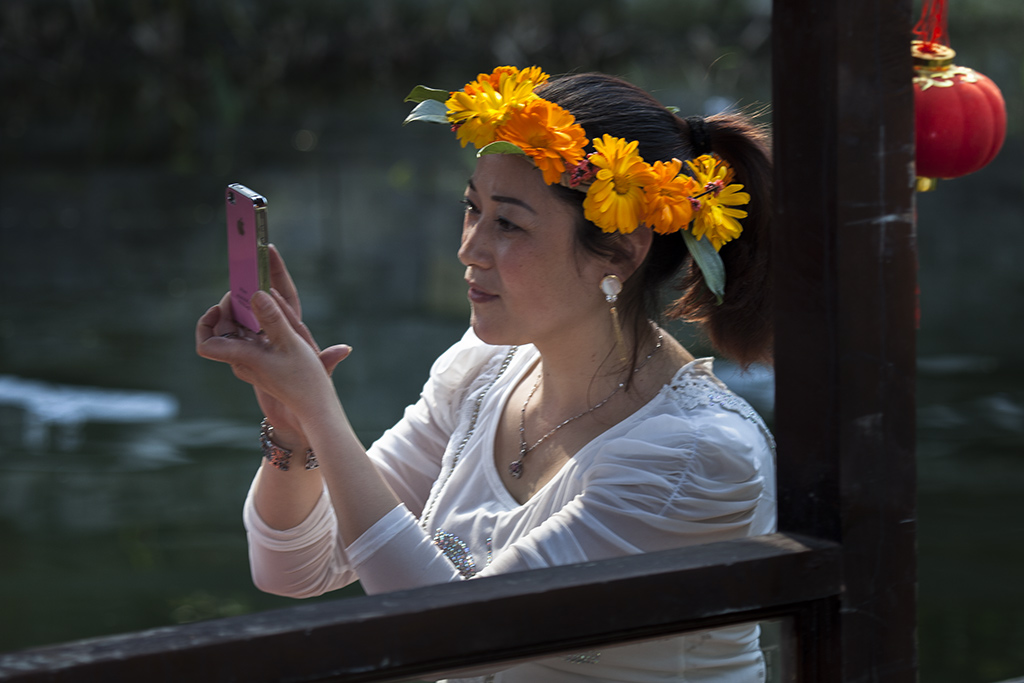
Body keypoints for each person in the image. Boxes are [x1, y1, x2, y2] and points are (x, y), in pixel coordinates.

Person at [196, 66, 776, 682]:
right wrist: (293, 431)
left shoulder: (695, 458)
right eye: (472, 208)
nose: (469, 248)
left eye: (508, 223)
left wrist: (321, 410)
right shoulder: (483, 369)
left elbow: (455, 634)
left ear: (621, 252)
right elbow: (296, 570)